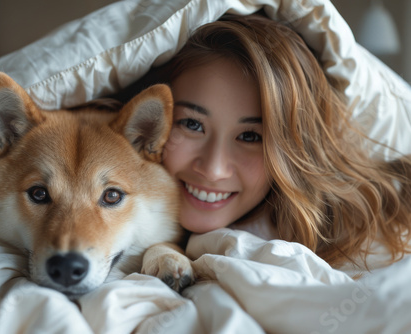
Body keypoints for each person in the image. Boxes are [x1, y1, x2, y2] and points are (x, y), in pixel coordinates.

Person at [161, 13, 411, 268]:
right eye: (192, 124)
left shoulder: (370, 241)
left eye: (250, 136)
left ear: (291, 150)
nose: (213, 170)